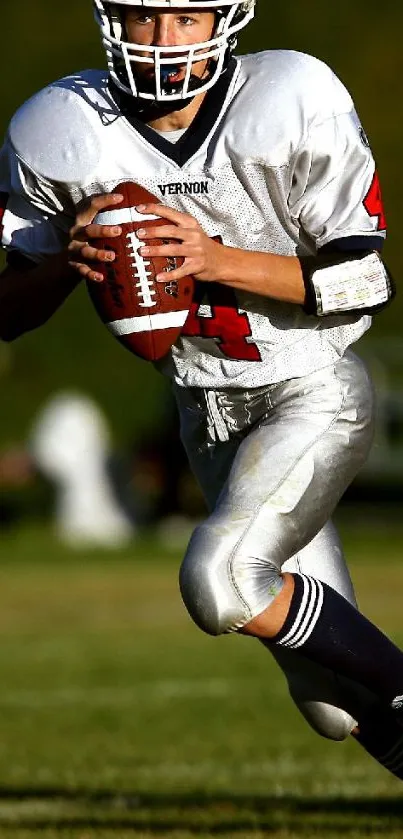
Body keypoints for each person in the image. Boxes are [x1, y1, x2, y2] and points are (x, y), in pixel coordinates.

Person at [0, 0, 402, 779]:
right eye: (143, 16)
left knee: (220, 579)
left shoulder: (289, 94)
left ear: (225, 19)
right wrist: (64, 259)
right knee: (332, 707)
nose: (162, 39)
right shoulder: (56, 126)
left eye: (185, 17)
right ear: (110, 18)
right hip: (207, 418)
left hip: (309, 389)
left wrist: (213, 259)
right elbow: (8, 311)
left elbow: (364, 277)